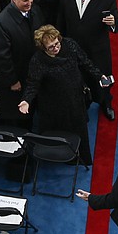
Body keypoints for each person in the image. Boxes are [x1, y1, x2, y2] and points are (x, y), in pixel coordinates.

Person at [19, 25, 104, 165]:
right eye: (50, 47)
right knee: (57, 132)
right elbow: (33, 84)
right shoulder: (38, 60)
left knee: (78, 129)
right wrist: (26, 100)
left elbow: (85, 62)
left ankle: (79, 158)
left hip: (75, 99)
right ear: (42, 48)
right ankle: (56, 157)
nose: (56, 48)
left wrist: (99, 76)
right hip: (53, 105)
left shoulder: (69, 45)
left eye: (57, 43)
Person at [57, 0, 118, 121]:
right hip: (73, 49)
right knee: (77, 80)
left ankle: (105, 103)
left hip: (98, 51)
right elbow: (60, 22)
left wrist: (114, 22)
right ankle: (82, 104)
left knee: (103, 81)